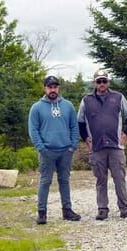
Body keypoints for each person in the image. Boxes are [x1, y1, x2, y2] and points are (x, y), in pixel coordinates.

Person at [78, 69, 127, 220]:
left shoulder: (118, 97)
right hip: (97, 147)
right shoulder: (86, 100)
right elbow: (80, 122)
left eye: (104, 81)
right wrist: (86, 139)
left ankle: (124, 209)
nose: (102, 84)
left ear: (108, 82)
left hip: (116, 146)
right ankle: (102, 209)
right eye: (99, 81)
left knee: (119, 178)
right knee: (100, 180)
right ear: (94, 83)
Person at [28, 75, 81, 225]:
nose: (53, 89)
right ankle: (42, 213)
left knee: (64, 180)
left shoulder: (68, 105)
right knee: (45, 181)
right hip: (47, 151)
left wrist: (72, 145)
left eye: (55, 87)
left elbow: (74, 127)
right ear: (45, 88)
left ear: (58, 88)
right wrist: (41, 148)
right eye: (50, 87)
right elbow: (33, 130)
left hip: (65, 150)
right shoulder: (37, 107)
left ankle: (67, 210)